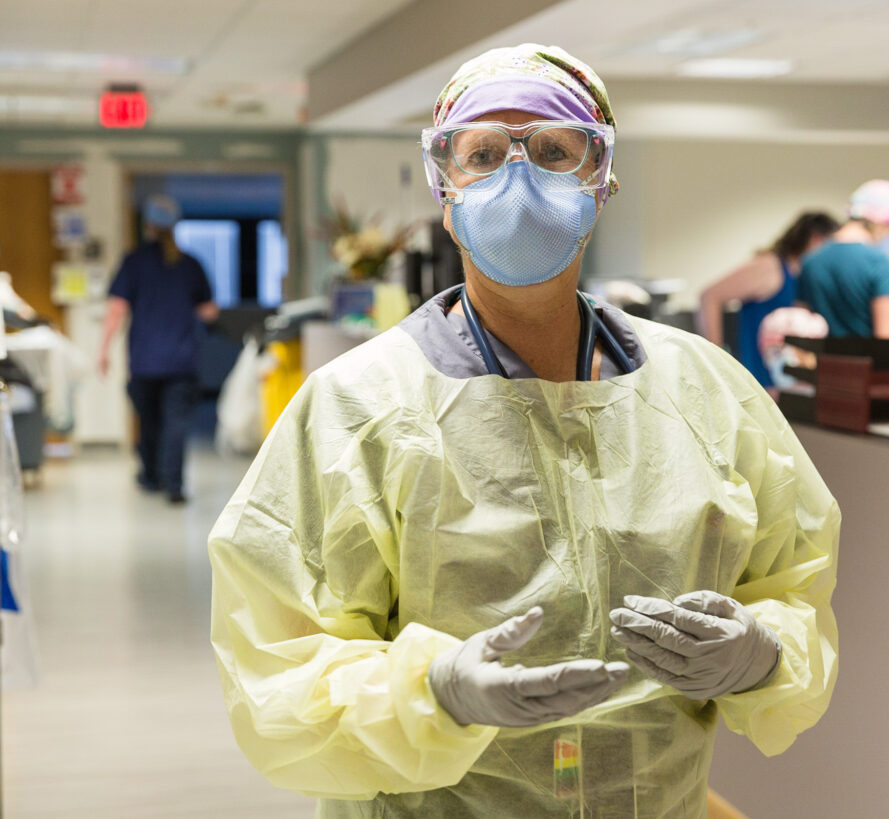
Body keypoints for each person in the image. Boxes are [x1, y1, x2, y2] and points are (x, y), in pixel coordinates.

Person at [208, 44, 839, 818]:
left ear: (600, 179)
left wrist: (762, 654)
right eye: (483, 153)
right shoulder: (359, 406)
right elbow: (277, 669)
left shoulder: (706, 392)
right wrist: (434, 694)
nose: (519, 177)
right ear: (445, 188)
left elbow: (795, 583)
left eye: (551, 151)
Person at [99, 195, 218, 503]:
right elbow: (209, 312)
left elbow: (116, 310)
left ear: (148, 225)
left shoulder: (134, 262)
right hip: (181, 360)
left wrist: (103, 351)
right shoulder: (190, 265)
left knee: (149, 422)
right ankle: (174, 485)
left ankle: (151, 477)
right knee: (175, 424)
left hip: (144, 360)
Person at [698, 212, 839, 387]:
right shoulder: (770, 267)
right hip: (761, 381)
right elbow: (710, 297)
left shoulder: (806, 275)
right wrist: (716, 364)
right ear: (815, 239)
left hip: (791, 387)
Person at [796, 179, 889, 338]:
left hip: (822, 362)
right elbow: (887, 338)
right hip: (867, 362)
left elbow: (801, 328)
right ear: (882, 224)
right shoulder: (879, 263)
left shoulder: (811, 260)